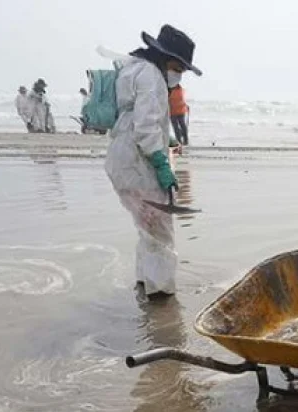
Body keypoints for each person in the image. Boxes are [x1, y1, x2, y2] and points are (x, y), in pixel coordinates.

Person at [104, 24, 202, 299]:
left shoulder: (134, 68)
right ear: (167, 59)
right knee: (159, 231)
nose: (178, 75)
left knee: (146, 228)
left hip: (122, 157)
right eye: (179, 69)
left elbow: (135, 117)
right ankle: (160, 296)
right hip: (137, 163)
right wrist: (160, 162)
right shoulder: (152, 78)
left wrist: (165, 138)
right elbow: (146, 127)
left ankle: (145, 283)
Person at [168, 77, 189, 145]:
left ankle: (179, 141)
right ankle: (185, 141)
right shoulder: (181, 90)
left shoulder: (170, 91)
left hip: (174, 111)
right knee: (182, 126)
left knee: (176, 127)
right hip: (180, 110)